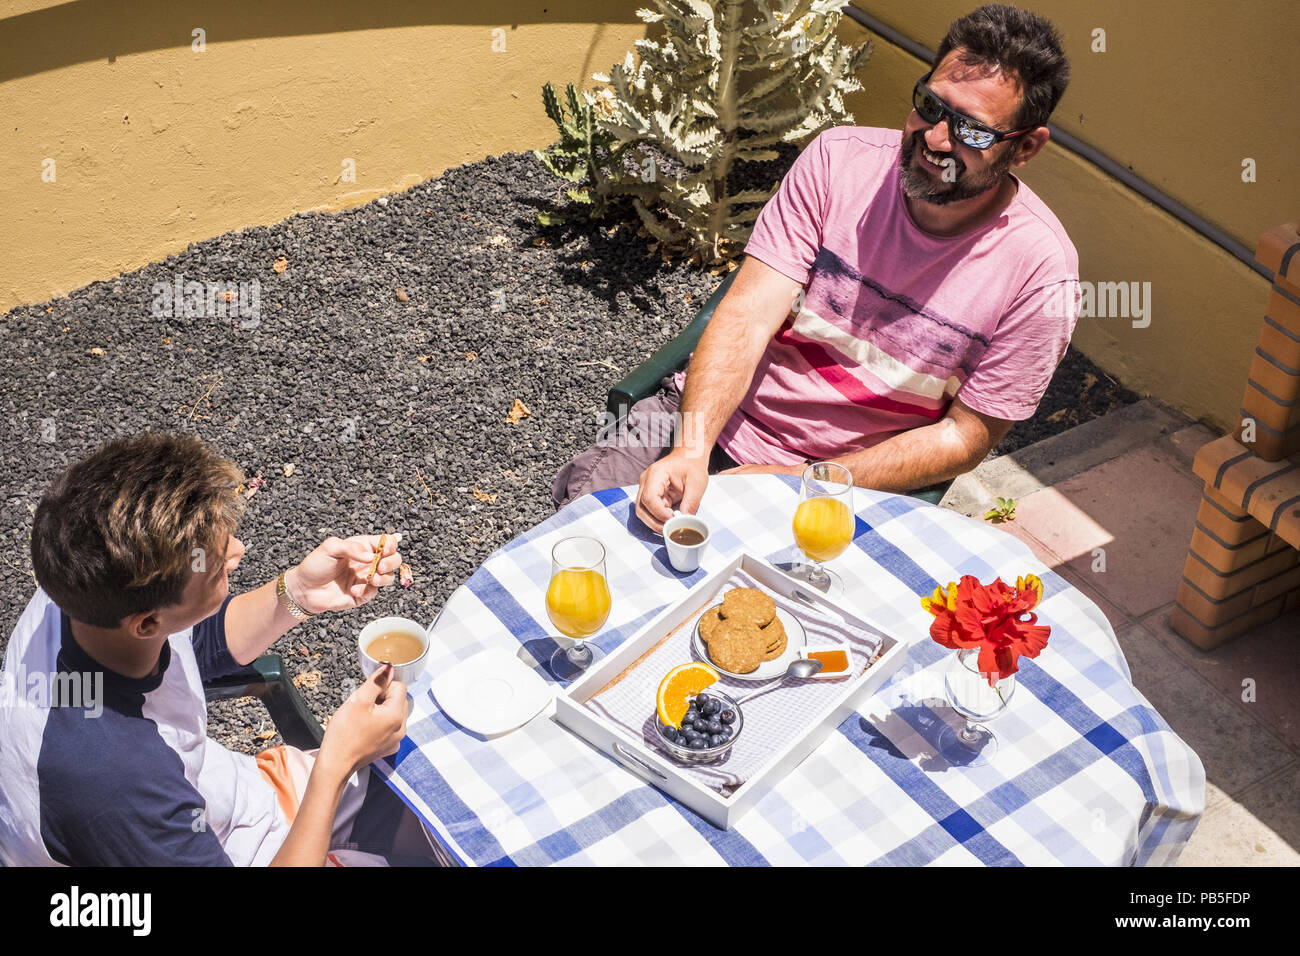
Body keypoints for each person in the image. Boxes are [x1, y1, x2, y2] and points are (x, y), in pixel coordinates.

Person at [551, 4, 1079, 533]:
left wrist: (799, 481)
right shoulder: (838, 161)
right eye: (931, 106)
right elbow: (748, 315)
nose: (937, 139)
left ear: (1026, 146)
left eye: (973, 132)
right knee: (583, 537)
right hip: (711, 423)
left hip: (843, 484)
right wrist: (691, 449)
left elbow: (963, 437)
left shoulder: (1041, 276)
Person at [0, 432, 441, 866]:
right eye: (215, 567)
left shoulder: (91, 575)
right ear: (147, 622)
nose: (238, 552)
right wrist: (337, 762)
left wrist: (298, 592)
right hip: (223, 848)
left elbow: (195, 639)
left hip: (238, 802)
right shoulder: (115, 781)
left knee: (430, 788)